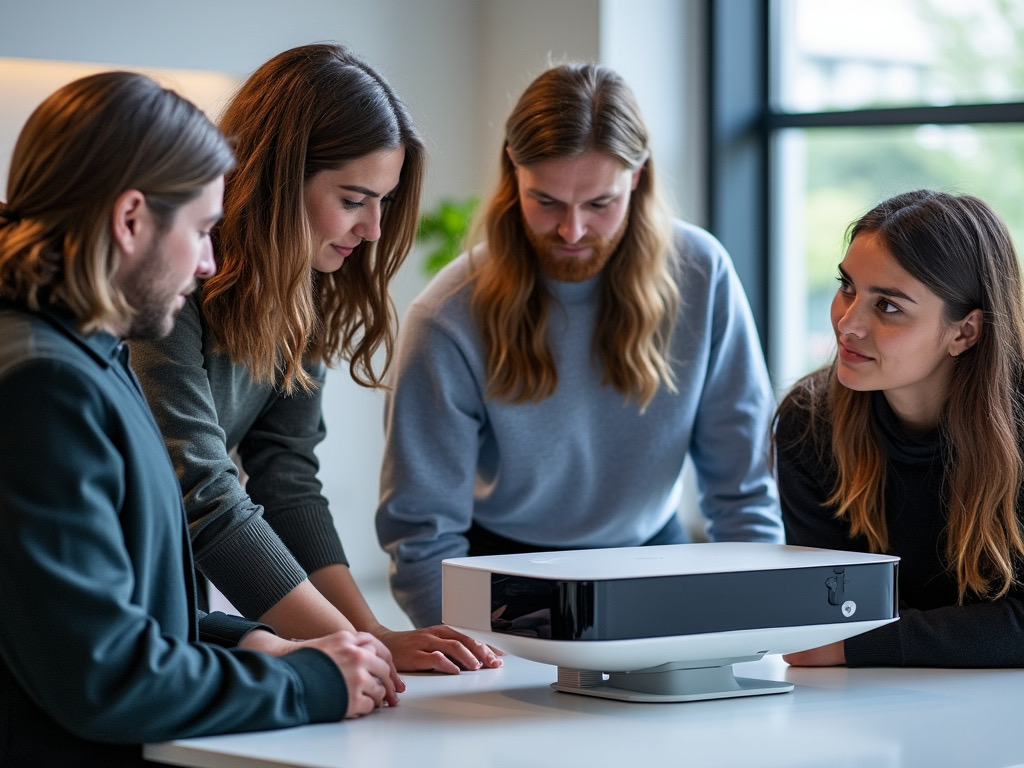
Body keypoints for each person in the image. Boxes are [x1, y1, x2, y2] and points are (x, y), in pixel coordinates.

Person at [0, 71, 398, 768]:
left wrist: (246, 640)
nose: (211, 262)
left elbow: (111, 615)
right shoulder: (43, 387)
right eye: (204, 230)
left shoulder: (87, 356)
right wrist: (308, 680)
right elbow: (106, 676)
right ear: (130, 221)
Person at [129, 43, 499, 678]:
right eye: (354, 200)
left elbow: (286, 476)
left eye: (383, 201)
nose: (375, 229)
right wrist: (362, 647)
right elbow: (202, 492)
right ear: (278, 179)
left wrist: (370, 632)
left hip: (163, 592)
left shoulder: (308, 284)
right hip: (107, 588)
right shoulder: (171, 276)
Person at [376, 62, 784, 629]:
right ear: (512, 174)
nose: (571, 232)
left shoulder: (702, 274)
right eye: (546, 202)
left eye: (599, 204)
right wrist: (468, 645)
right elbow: (420, 532)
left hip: (653, 559)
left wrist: (758, 614)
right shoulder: (447, 316)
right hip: (503, 576)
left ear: (637, 177)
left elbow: (743, 491)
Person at [773, 189, 1024, 667]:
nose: (847, 325)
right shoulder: (809, 423)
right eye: (847, 286)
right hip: (872, 701)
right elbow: (822, 620)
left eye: (887, 306)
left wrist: (860, 644)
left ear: (965, 332)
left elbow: (836, 640)